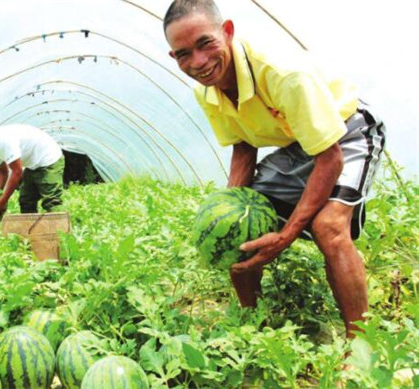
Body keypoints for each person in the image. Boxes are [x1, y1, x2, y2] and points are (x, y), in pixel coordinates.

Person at [164, 0, 385, 338]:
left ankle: (361, 344)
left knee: (329, 227)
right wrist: (228, 211)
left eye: (205, 43)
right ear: (173, 57)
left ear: (228, 32)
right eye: (183, 54)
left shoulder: (282, 73)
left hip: (347, 131)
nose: (199, 62)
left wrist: (286, 235)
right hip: (299, 144)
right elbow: (243, 146)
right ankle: (254, 329)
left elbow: (330, 158)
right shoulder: (206, 90)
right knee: (238, 233)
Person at [0, 113, 65, 216]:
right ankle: (30, 230)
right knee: (26, 200)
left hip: (48, 158)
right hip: (32, 164)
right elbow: (2, 171)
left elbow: (17, 172)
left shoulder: (3, 139)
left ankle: (62, 231)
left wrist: (3, 201)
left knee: (51, 201)